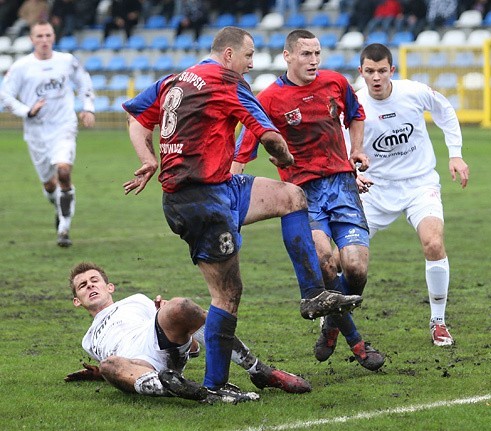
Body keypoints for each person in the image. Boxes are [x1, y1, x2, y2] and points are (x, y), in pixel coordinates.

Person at [121, 26, 363, 394]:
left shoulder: (174, 80)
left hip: (220, 187)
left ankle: (313, 294)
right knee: (227, 294)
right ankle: (215, 386)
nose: (252, 64)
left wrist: (147, 158)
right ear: (229, 54)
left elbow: (137, 118)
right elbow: (269, 137)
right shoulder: (226, 81)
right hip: (200, 200)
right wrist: (284, 155)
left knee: (292, 196)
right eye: (249, 55)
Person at [234, 29, 385, 371]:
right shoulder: (270, 99)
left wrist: (357, 149)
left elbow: (356, 114)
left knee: (356, 270)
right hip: (303, 194)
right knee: (324, 261)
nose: (314, 60)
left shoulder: (335, 83)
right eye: (306, 54)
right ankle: (358, 342)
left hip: (343, 186)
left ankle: (331, 322)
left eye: (317, 54)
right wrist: (225, 189)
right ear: (287, 57)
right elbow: (245, 149)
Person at [67, 262, 313, 404]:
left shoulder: (135, 300)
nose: (90, 285)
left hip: (156, 340)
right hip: (139, 365)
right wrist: (100, 373)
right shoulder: (88, 340)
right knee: (110, 364)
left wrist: (164, 315)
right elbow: (122, 370)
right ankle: (202, 393)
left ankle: (260, 371)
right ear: (77, 301)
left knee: (180, 305)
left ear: (109, 287)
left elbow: (192, 348)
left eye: (94, 280)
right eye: (82, 285)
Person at [355, 43, 469, 346]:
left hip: (419, 184)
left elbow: (444, 109)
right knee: (347, 258)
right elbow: (343, 143)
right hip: (374, 190)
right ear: (361, 72)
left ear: (391, 70)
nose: (376, 78)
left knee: (433, 243)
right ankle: (334, 319)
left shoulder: (413, 92)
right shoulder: (354, 104)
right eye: (370, 71)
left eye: (382, 71)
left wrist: (455, 154)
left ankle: (438, 321)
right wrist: (353, 173)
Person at [0, 20, 94, 247]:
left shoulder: (66, 61)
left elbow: (84, 81)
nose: (44, 40)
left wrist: (88, 107)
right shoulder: (22, 67)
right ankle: (58, 203)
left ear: (54, 37)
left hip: (63, 125)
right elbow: (5, 95)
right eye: (39, 36)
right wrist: (27, 111)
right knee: (49, 185)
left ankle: (64, 228)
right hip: (36, 131)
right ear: (31, 39)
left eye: (48, 35)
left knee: (63, 171)